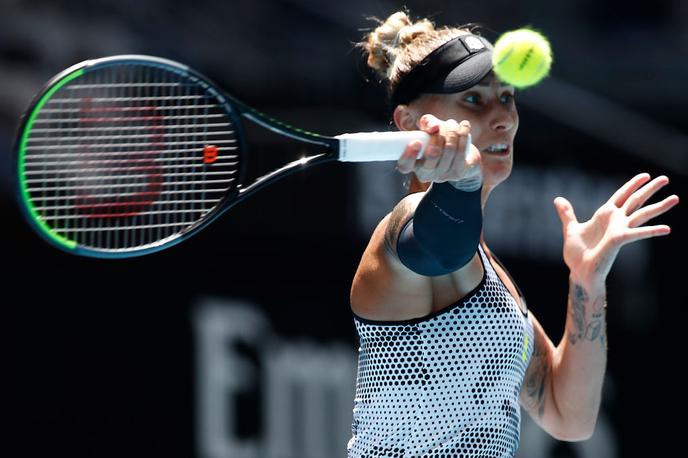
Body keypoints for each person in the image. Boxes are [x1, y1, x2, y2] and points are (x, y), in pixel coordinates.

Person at [347, 10, 679, 458]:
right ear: (409, 122)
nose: (502, 116)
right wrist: (461, 185)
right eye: (473, 100)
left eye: (506, 96)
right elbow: (438, 247)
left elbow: (568, 415)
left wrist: (586, 284)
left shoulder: (491, 277)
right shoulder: (406, 228)